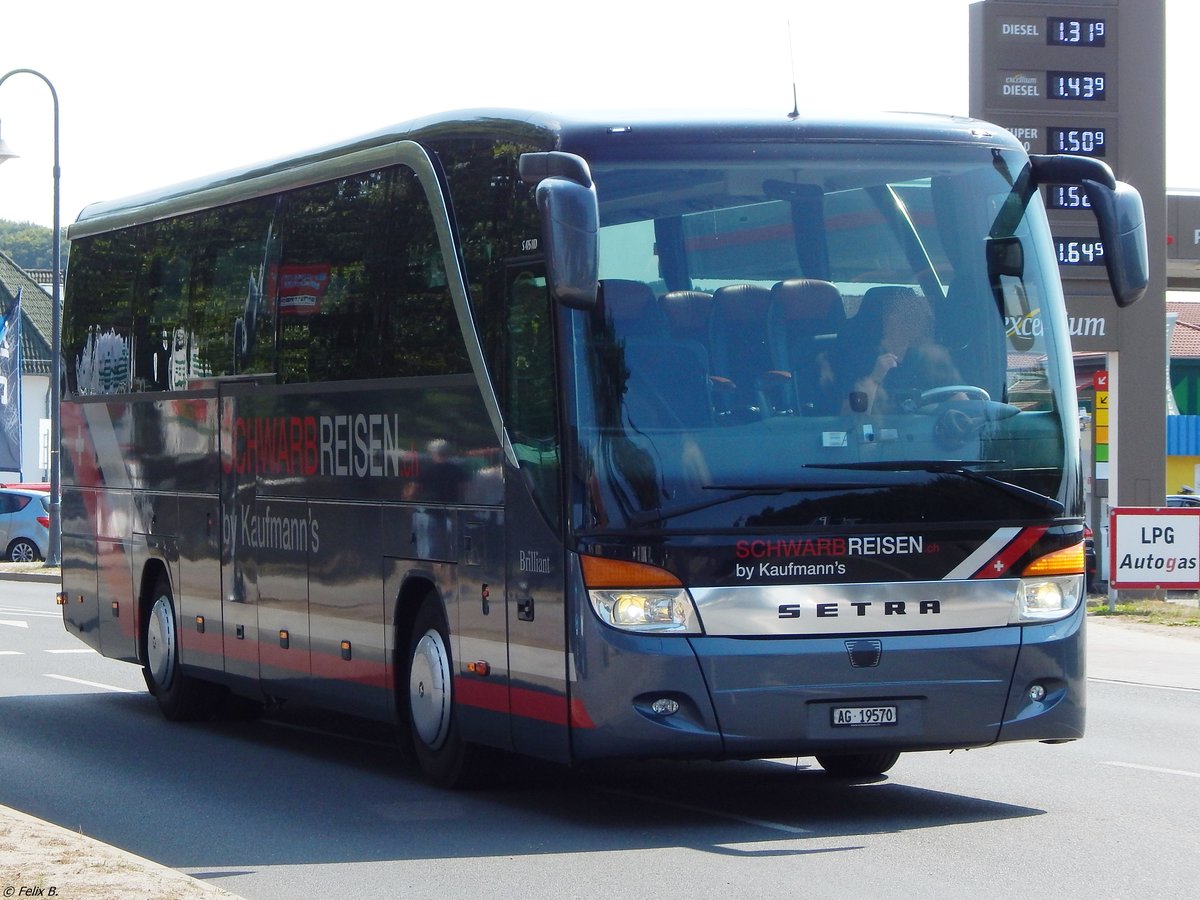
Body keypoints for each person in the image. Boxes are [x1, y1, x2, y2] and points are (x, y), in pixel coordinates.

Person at [821, 288, 960, 414]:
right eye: (911, 315)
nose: (921, 321)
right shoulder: (855, 360)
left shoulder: (931, 358)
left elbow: (964, 406)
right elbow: (851, 418)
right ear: (891, 320)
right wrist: (874, 378)